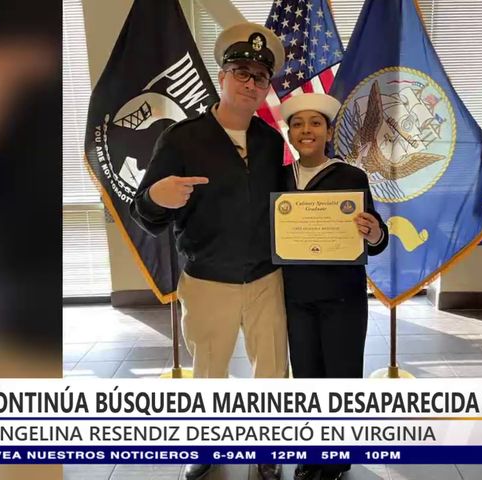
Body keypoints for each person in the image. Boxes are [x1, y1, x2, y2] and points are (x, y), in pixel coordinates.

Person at [130, 22, 287, 480]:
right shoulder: (181, 139)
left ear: (266, 87)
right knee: (209, 371)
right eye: (241, 72)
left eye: (260, 77)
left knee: (272, 371)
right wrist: (156, 197)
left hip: (266, 278)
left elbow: (285, 208)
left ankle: (268, 449)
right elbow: (144, 212)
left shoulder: (270, 142)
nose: (250, 83)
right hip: (207, 280)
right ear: (222, 77)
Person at [279, 94, 389, 480]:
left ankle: (337, 456)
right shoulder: (278, 178)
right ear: (289, 134)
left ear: (328, 133)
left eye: (315, 123)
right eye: (297, 124)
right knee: (306, 376)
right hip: (296, 297)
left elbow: (376, 235)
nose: (306, 130)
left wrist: (374, 232)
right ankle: (311, 452)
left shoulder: (351, 177)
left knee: (342, 376)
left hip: (343, 297)